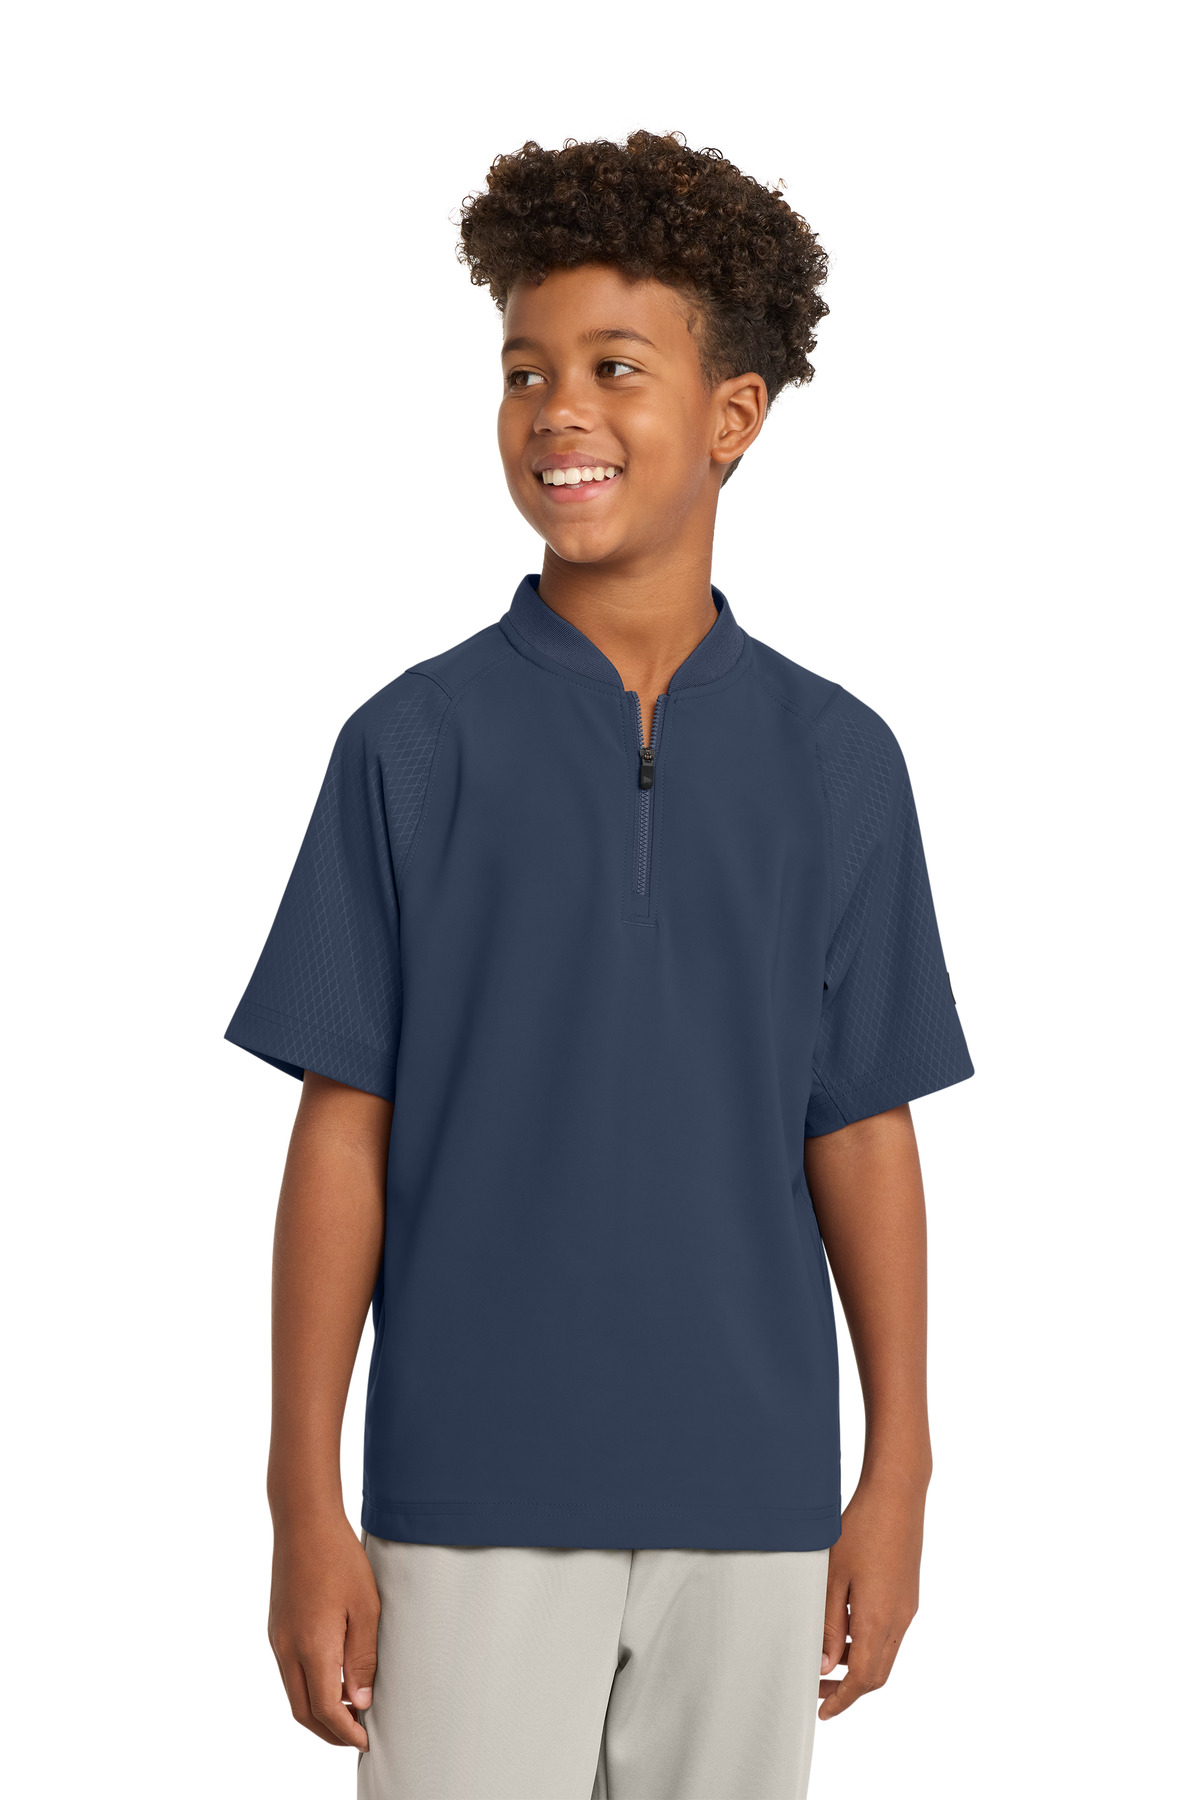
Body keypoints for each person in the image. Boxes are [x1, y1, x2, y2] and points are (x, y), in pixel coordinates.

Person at [225, 127, 974, 1800]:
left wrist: (899, 1473)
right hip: (466, 1501)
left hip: (754, 1505)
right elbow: (344, 1130)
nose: (557, 410)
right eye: (524, 372)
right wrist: (303, 1502)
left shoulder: (839, 763)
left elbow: (861, 1126)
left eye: (614, 367)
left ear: (734, 416)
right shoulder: (411, 747)